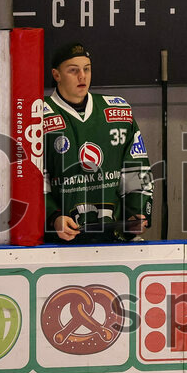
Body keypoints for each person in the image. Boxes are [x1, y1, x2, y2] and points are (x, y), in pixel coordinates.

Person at [43, 42, 154, 243]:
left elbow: (136, 168)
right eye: (73, 70)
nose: (82, 76)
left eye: (87, 69)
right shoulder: (39, 115)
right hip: (60, 241)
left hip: (114, 237)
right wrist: (52, 217)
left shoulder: (118, 112)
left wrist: (136, 213)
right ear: (56, 75)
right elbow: (33, 179)